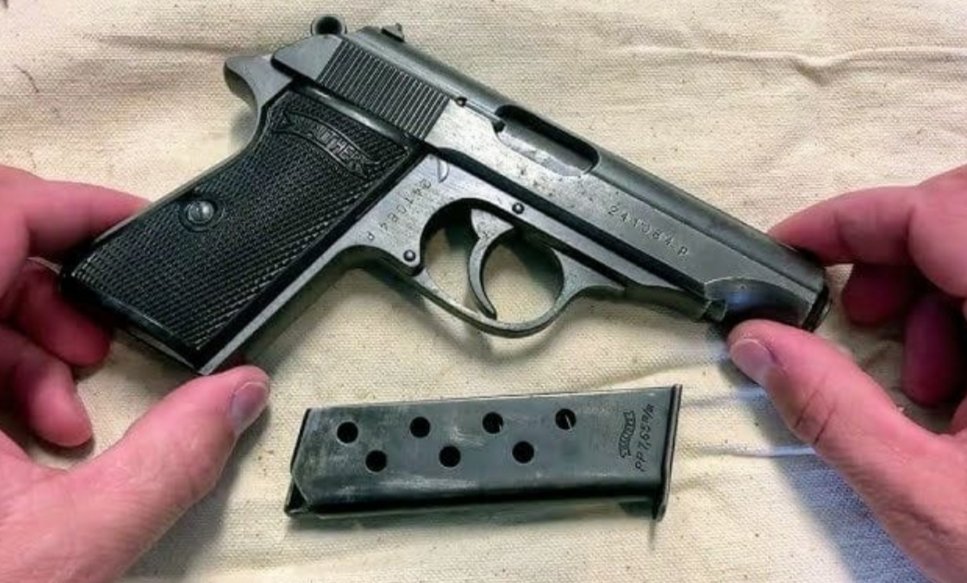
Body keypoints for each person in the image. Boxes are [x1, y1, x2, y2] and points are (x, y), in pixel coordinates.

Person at [0, 164, 963, 582]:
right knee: (168, 288)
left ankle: (153, 288)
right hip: (384, 132)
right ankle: (155, 290)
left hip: (401, 132)